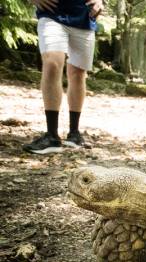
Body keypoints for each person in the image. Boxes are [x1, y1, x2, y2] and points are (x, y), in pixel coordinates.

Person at [23, 0, 104, 154]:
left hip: (84, 18)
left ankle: (74, 134)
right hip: (52, 14)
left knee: (78, 74)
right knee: (52, 63)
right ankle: (51, 135)